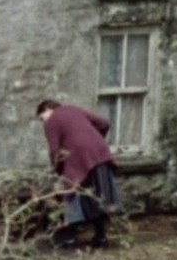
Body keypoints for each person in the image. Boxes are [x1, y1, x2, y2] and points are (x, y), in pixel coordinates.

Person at [35, 99, 119, 249]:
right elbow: (104, 123)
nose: (43, 122)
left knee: (69, 193)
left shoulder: (51, 121)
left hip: (79, 157)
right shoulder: (74, 109)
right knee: (98, 196)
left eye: (42, 117)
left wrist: (58, 169)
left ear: (47, 108)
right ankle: (101, 237)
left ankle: (69, 237)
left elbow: (55, 150)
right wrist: (94, 139)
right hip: (100, 153)